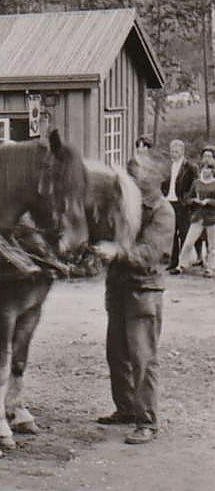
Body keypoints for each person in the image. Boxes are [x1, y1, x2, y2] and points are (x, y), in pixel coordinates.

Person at [93, 153, 174, 445]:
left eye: (138, 171)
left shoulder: (163, 212)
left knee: (142, 359)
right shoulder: (128, 205)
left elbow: (150, 254)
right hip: (119, 289)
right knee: (117, 353)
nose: (132, 174)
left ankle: (147, 421)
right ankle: (126, 408)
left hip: (143, 292)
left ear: (157, 178)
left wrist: (117, 253)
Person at [161, 139, 196, 271]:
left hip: (182, 204)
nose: (173, 154)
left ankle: (182, 263)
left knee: (184, 232)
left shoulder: (189, 167)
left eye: (176, 151)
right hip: (169, 202)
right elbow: (164, 182)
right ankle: (173, 261)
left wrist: (186, 199)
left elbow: (194, 184)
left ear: (182, 151)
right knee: (172, 234)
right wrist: (164, 194)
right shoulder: (169, 166)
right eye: (172, 151)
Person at [175, 162, 215, 277]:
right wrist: (194, 201)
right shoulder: (196, 183)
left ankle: (211, 268)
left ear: (212, 171)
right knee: (188, 242)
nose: (205, 171)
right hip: (198, 217)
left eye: (208, 169)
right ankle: (181, 265)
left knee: (212, 245)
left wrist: (209, 202)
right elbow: (188, 198)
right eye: (204, 168)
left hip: (212, 217)